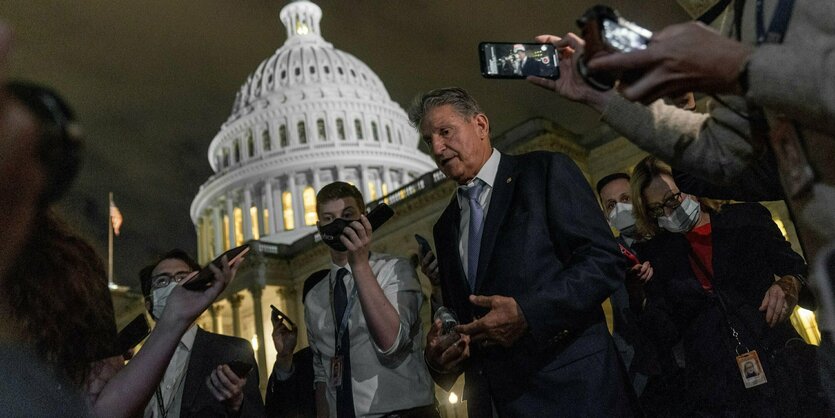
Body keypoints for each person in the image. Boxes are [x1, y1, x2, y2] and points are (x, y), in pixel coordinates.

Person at [409, 87, 631, 416]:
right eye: (430, 140)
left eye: (445, 132)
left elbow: (603, 260)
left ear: (481, 125)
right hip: (497, 403)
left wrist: (529, 313)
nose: (438, 148)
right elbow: (464, 314)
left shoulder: (544, 172)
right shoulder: (446, 225)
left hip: (573, 393)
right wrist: (442, 354)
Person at [627, 156, 826, 416]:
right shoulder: (655, 253)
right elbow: (664, 333)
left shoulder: (746, 218)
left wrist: (791, 283)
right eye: (656, 209)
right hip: (717, 393)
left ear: (692, 185)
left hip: (781, 367)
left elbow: (798, 271)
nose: (668, 213)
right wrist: (640, 295)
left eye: (672, 200)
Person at [304, 181, 437, 417]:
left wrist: (359, 263)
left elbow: (391, 344)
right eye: (329, 218)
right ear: (319, 227)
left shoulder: (396, 269)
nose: (338, 224)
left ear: (364, 218)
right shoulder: (314, 298)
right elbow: (322, 375)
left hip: (403, 413)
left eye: (347, 215)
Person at [140, 249, 264, 417]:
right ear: (149, 303)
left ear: (198, 290)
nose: (174, 287)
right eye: (162, 281)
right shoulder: (136, 365)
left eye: (182, 278)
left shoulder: (233, 351)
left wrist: (237, 403)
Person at [265, 275, 324, 418]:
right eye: (311, 309)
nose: (320, 317)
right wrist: (285, 357)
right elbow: (276, 410)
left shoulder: (362, 352)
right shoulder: (298, 362)